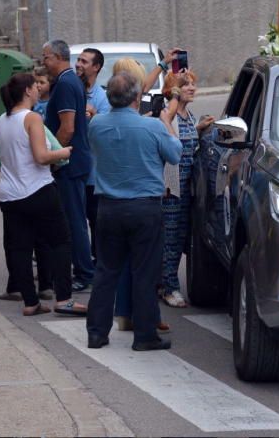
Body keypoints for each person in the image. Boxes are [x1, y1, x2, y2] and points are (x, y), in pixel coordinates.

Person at [86, 72, 182, 351]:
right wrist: (165, 121)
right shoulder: (151, 127)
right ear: (137, 97)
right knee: (145, 272)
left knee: (105, 271)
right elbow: (174, 154)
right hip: (144, 207)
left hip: (108, 206)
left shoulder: (96, 125)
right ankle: (144, 334)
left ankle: (96, 332)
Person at [0, 73, 87, 316]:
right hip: (37, 189)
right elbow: (41, 156)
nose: (39, 89)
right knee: (60, 241)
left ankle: (30, 302)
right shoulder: (32, 118)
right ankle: (64, 298)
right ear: (28, 91)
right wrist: (64, 153)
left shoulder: (3, 119)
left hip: (9, 194)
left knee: (19, 248)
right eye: (35, 86)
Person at [42, 40, 95, 292]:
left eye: (46, 57)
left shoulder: (64, 84)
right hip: (77, 160)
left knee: (74, 220)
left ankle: (84, 273)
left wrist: (54, 157)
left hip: (69, 162)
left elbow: (67, 127)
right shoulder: (70, 80)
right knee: (75, 218)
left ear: (58, 57)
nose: (43, 62)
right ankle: (83, 269)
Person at [158, 71, 214, 308]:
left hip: (187, 187)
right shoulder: (167, 116)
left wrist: (199, 129)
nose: (192, 88)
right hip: (173, 186)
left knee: (180, 238)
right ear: (174, 91)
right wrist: (170, 187)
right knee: (170, 239)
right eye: (185, 84)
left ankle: (163, 283)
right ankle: (168, 287)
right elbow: (171, 149)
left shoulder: (188, 115)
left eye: (193, 83)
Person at [76, 47, 110, 264]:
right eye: (78, 60)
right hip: (70, 168)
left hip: (94, 172)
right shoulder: (69, 90)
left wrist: (95, 116)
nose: (79, 64)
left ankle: (97, 262)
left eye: (85, 62)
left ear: (96, 67)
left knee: (96, 220)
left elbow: (108, 133)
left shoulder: (102, 97)